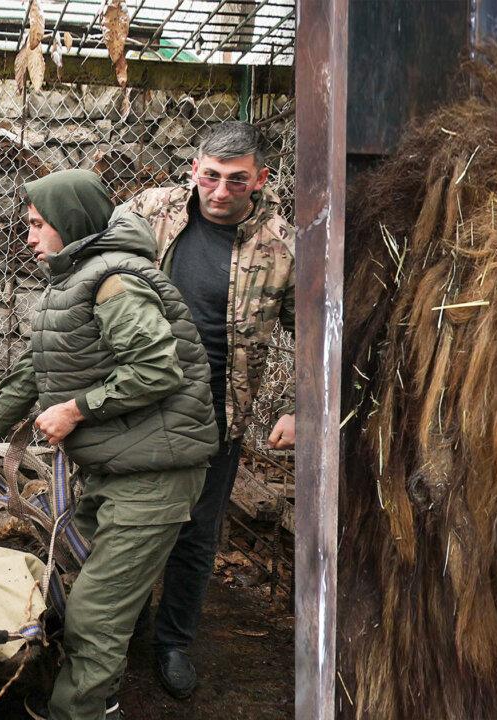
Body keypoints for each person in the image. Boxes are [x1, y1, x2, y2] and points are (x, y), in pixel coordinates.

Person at [0, 169, 218, 720]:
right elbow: (34, 366)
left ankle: (80, 710)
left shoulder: (114, 281)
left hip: (154, 473)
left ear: (69, 224)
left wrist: (76, 409)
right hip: (120, 465)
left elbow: (155, 367)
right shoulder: (71, 280)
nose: (28, 237)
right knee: (87, 592)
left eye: (36, 225)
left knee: (95, 614)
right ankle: (98, 691)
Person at [119, 120, 295, 698]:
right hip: (142, 402)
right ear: (194, 170)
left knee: (195, 533)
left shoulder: (282, 246)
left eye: (236, 181)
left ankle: (172, 643)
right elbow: (100, 261)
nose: (220, 192)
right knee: (128, 519)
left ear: (260, 180)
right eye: (211, 177)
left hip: (219, 415)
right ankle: (121, 627)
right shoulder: (153, 209)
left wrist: (296, 407)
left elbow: (316, 333)